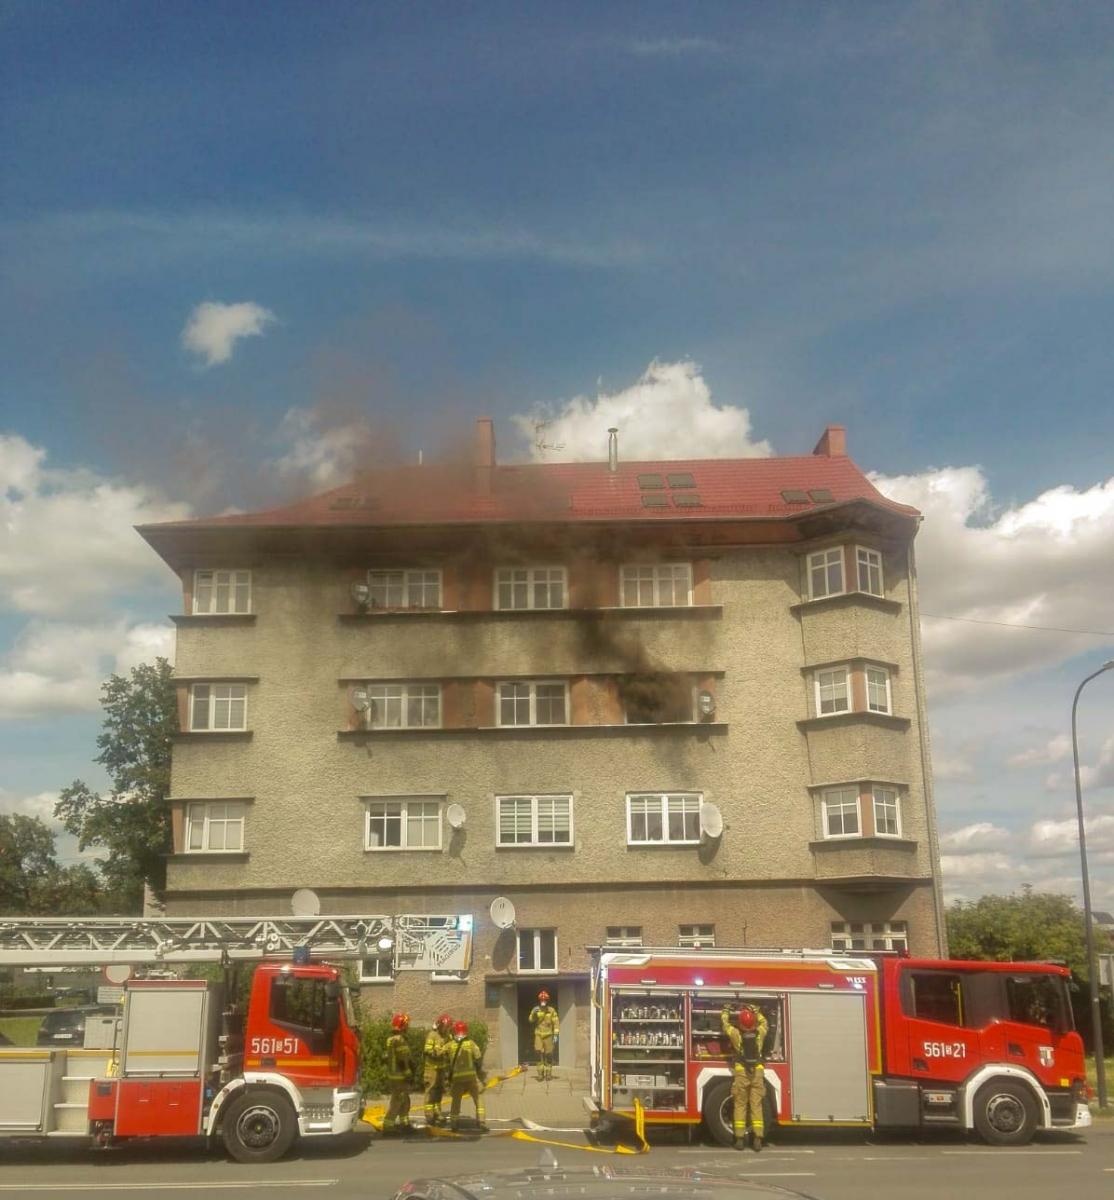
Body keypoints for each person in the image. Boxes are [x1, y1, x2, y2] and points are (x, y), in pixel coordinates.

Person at [720, 1002, 768, 1151]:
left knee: (740, 1105)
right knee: (756, 1106)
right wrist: (756, 1010)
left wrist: (726, 1010)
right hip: (757, 1071)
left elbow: (725, 1024)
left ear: (740, 1022)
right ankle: (757, 1139)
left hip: (741, 1072)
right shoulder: (760, 1032)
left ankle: (739, 1139)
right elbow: (765, 1022)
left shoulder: (735, 1034)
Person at [447, 1019, 488, 1132]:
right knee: (478, 1098)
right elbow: (478, 1058)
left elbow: (441, 1055)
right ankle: (481, 1121)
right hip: (471, 1078)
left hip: (457, 1078)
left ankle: (454, 1123)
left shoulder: (450, 1045)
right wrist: (481, 1075)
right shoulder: (471, 1043)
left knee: (456, 1101)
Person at [383, 1012, 413, 1134]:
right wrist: (408, 1073)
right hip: (400, 1076)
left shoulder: (391, 1039)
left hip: (395, 1075)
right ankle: (388, 1126)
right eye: (406, 1025)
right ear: (403, 1026)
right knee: (397, 1101)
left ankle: (404, 1123)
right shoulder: (399, 1040)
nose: (408, 1027)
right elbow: (402, 1059)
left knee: (404, 1099)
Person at [423, 1013, 452, 1126]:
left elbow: (451, 1048)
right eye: (446, 1027)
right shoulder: (432, 1035)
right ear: (440, 1026)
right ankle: (429, 1115)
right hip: (431, 1069)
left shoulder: (447, 1037)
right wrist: (439, 1052)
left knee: (439, 1092)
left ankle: (437, 1112)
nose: (447, 1029)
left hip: (441, 1069)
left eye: (448, 1027)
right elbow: (427, 1051)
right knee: (430, 1092)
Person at [528, 989, 559, 1080]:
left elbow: (556, 1022)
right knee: (538, 1052)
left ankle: (548, 1073)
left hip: (548, 1035)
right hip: (538, 1034)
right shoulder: (536, 1010)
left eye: (545, 1000)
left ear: (547, 1000)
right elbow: (530, 1020)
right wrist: (533, 1013)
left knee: (549, 1054)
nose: (543, 1001)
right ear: (539, 1000)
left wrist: (556, 1034)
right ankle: (540, 1074)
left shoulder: (551, 1010)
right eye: (541, 1000)